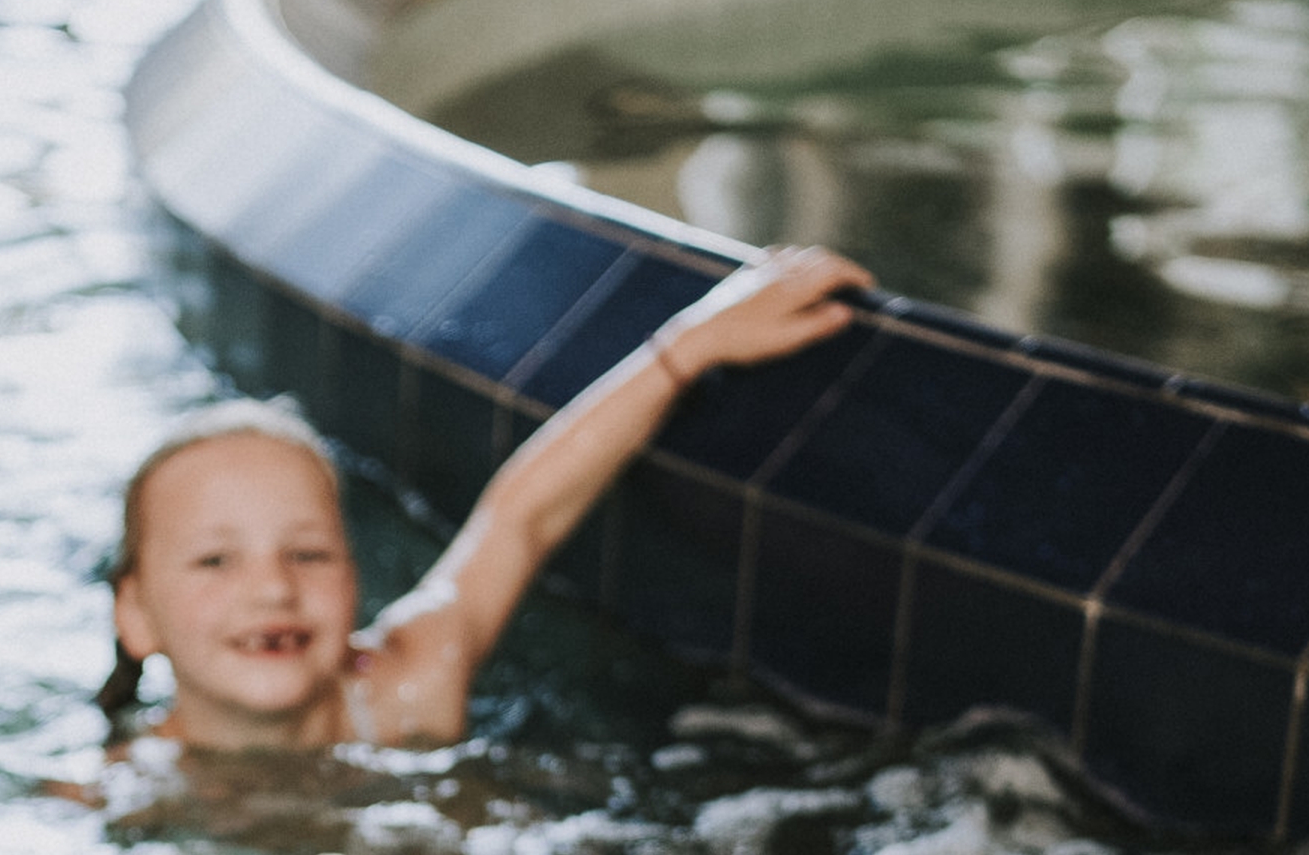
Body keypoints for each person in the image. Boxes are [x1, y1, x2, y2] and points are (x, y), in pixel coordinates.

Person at [96, 243, 870, 755]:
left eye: (308, 553)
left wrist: (690, 344)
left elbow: (523, 517)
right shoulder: (117, 794)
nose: (272, 587)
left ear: (357, 579)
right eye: (214, 560)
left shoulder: (404, 692)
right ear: (135, 615)